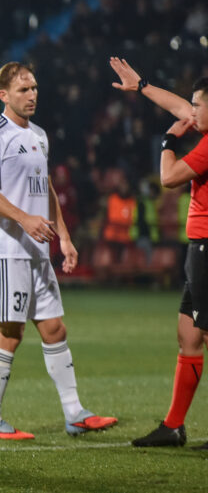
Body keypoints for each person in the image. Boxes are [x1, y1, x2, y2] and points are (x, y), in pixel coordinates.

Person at [0, 62, 117, 439]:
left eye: (34, 88)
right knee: (10, 332)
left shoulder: (39, 135)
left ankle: (75, 414)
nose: (32, 95)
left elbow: (46, 186)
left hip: (37, 251)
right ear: (3, 95)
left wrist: (64, 236)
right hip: (7, 250)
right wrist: (24, 220)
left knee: (54, 328)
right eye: (23, 90)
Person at [110, 57, 208, 448]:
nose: (191, 110)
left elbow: (167, 179)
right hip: (199, 249)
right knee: (188, 334)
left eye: (198, 105)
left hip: (207, 249)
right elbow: (180, 108)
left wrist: (168, 141)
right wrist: (143, 85)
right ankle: (173, 426)